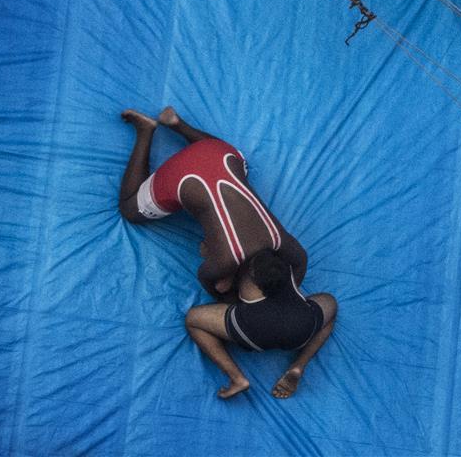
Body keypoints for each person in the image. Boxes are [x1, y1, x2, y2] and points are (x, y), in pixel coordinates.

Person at [118, 106, 307, 300]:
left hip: (220, 154)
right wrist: (235, 302)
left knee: (240, 166)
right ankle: (145, 130)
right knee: (129, 209)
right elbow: (208, 281)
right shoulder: (225, 261)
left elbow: (301, 263)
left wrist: (291, 292)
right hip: (183, 173)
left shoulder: (280, 240)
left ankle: (177, 124)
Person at [184, 249, 337, 399]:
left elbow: (221, 287)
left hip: (255, 333)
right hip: (301, 329)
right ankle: (298, 366)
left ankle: (237, 378)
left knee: (193, 319)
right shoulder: (288, 266)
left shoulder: (248, 283)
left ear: (256, 282)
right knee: (330, 302)